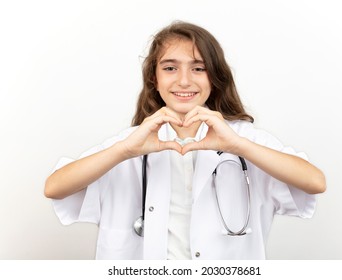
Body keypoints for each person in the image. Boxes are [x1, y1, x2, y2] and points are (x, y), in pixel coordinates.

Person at [45, 21, 326, 260]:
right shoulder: (131, 144)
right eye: (170, 68)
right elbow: (55, 188)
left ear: (214, 78)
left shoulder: (244, 141)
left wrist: (237, 145)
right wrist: (125, 150)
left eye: (198, 68)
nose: (183, 81)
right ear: (154, 78)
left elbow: (315, 182)